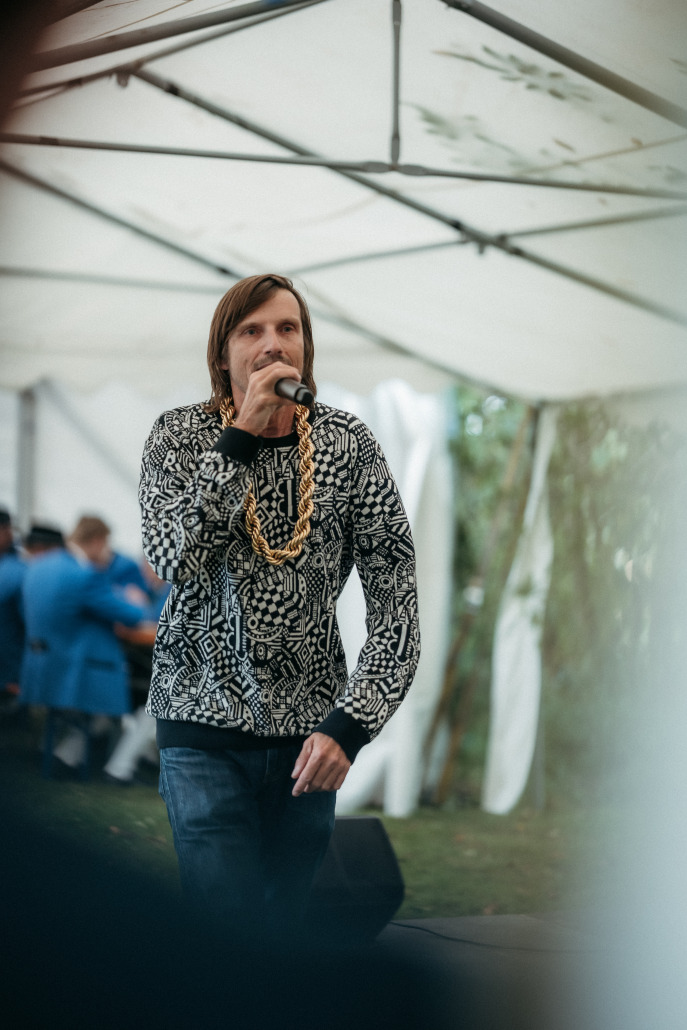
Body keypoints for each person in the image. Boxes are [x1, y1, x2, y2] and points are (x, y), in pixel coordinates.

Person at [139, 273, 420, 937]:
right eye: (252, 330)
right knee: (225, 932)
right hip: (201, 728)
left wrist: (350, 726)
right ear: (222, 355)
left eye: (287, 328)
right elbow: (177, 559)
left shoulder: (348, 446)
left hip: (309, 742)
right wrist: (240, 433)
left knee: (287, 936)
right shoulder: (177, 438)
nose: (273, 344)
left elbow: (396, 605)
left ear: (306, 348)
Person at [20, 516, 147, 773]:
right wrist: (133, 598)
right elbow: (131, 616)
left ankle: (66, 753)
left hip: (41, 663)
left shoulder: (39, 566)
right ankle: (107, 764)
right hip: (76, 669)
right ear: (98, 541)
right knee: (140, 691)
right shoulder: (84, 574)